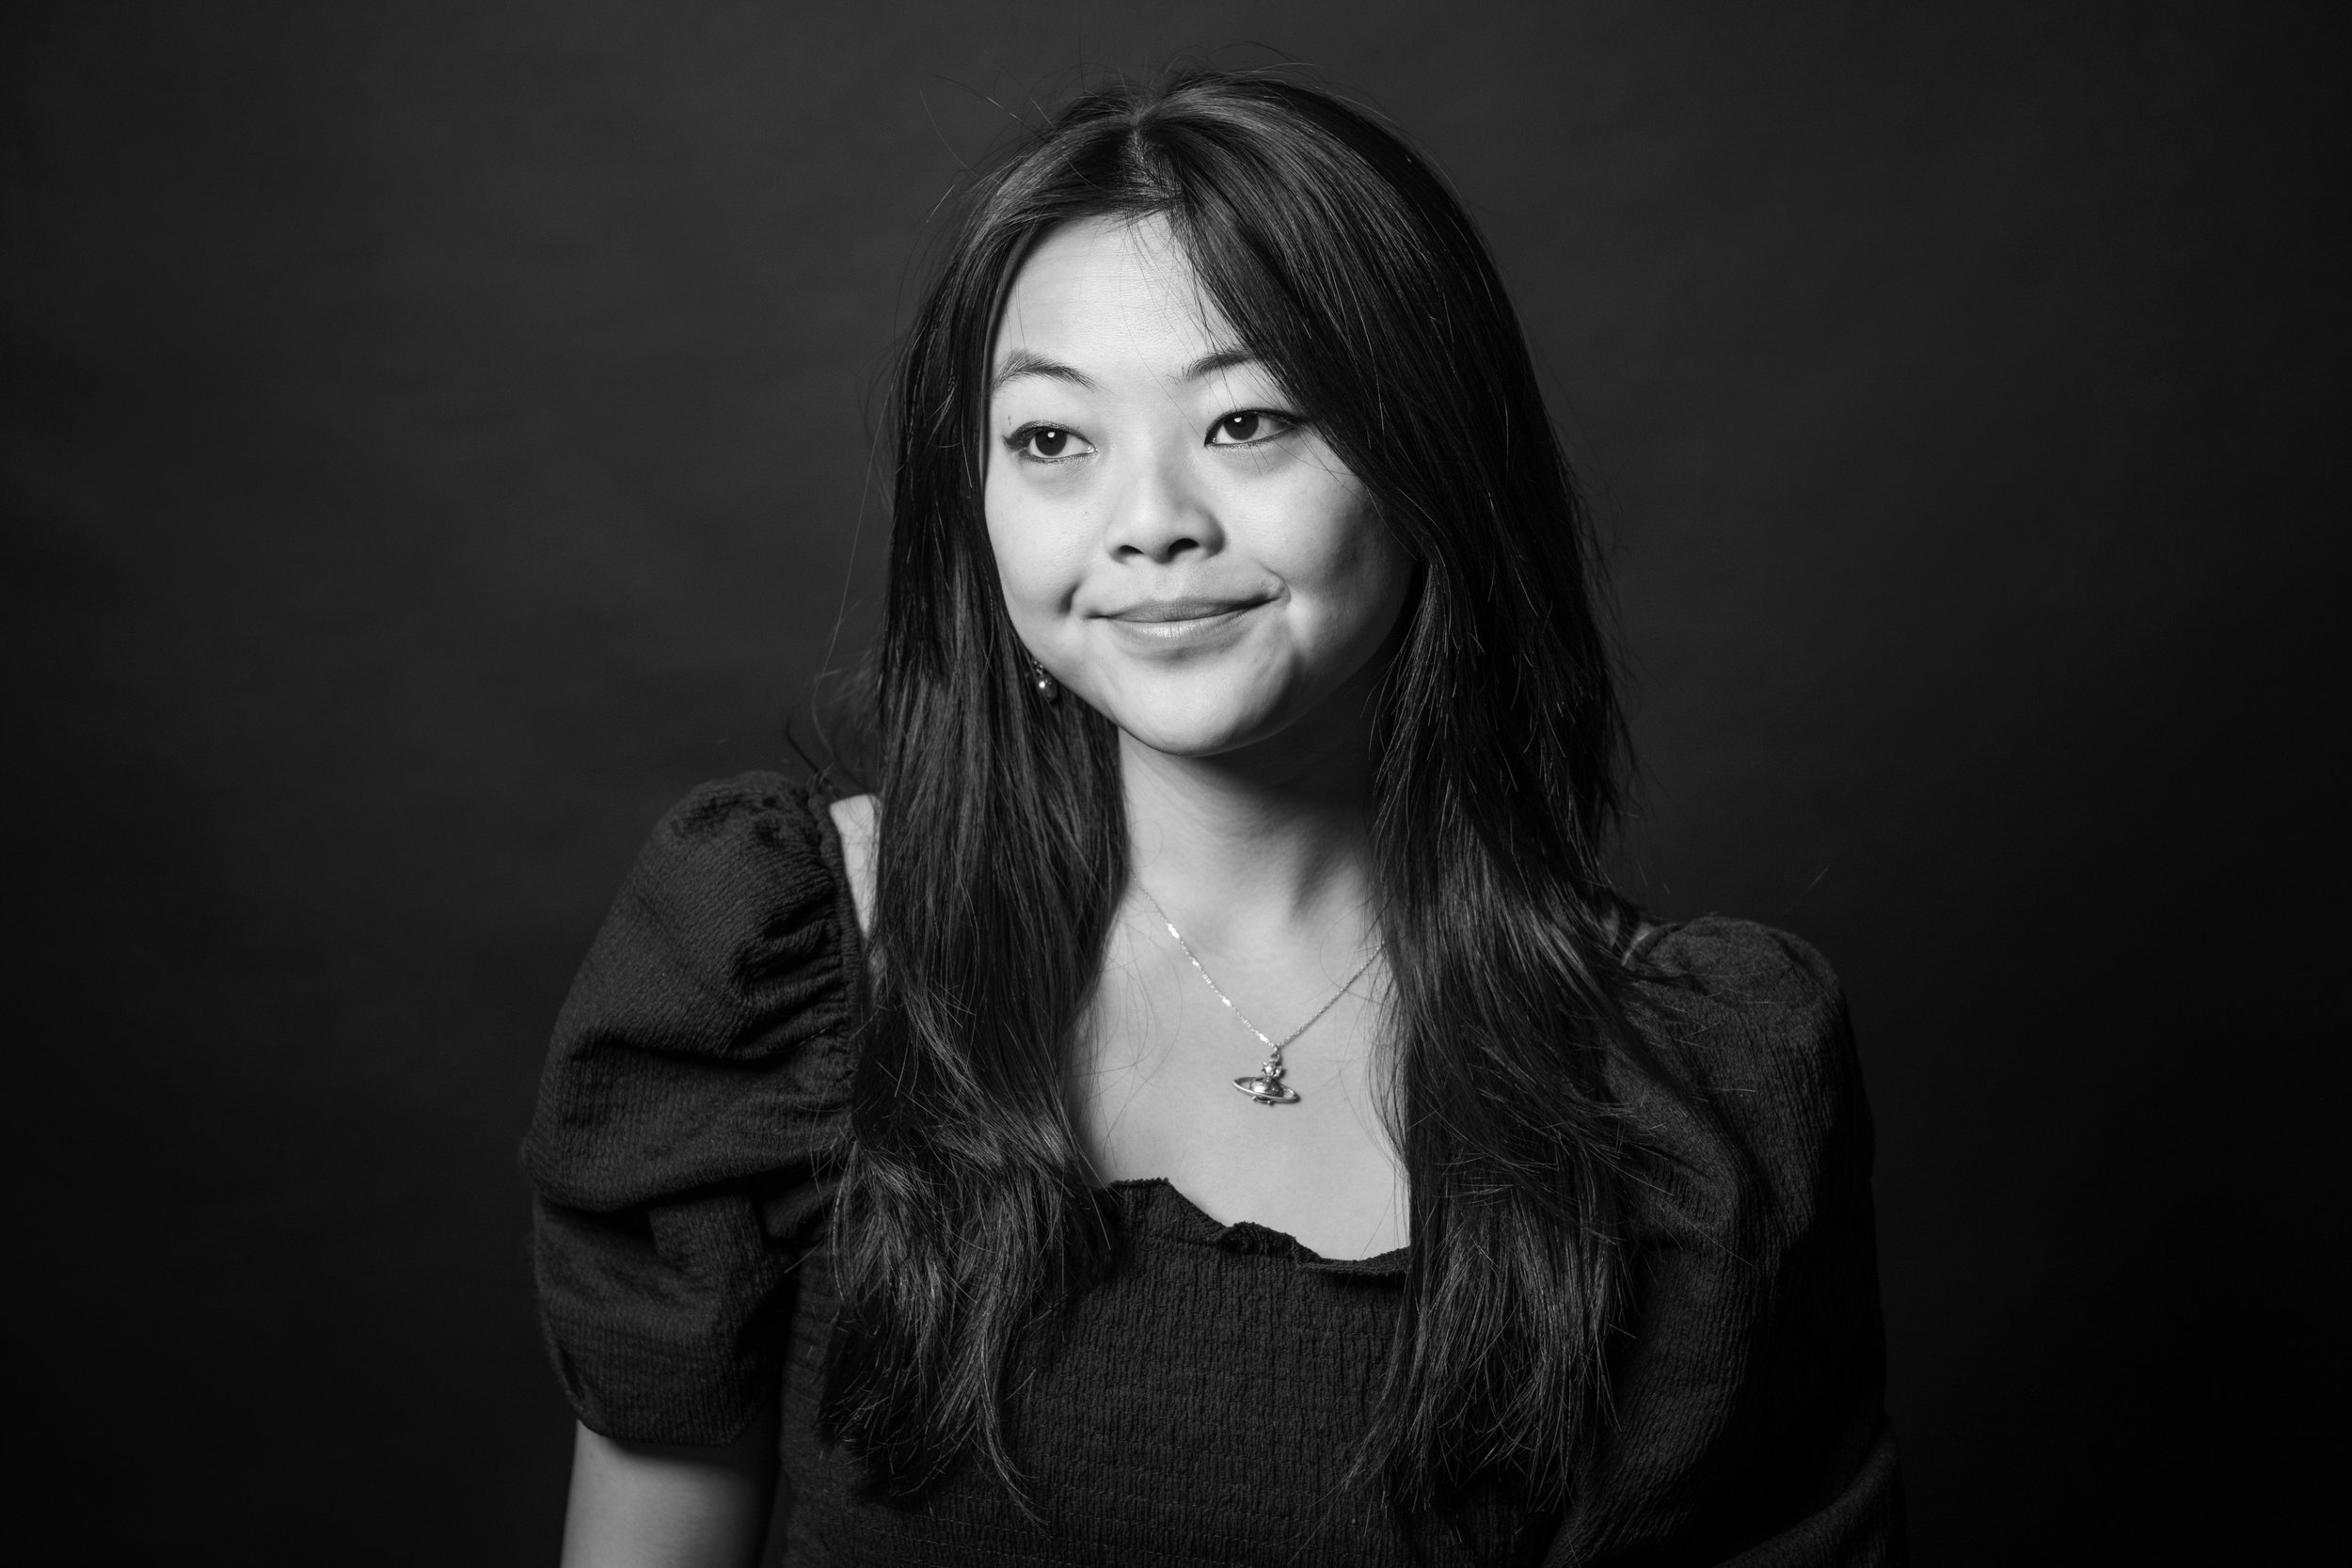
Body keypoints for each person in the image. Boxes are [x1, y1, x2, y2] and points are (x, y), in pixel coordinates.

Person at [526, 69, 1903, 1567]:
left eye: (1249, 420)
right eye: (1053, 441)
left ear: (1430, 461)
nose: (1151, 519)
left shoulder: (1688, 1098)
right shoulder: (783, 962)